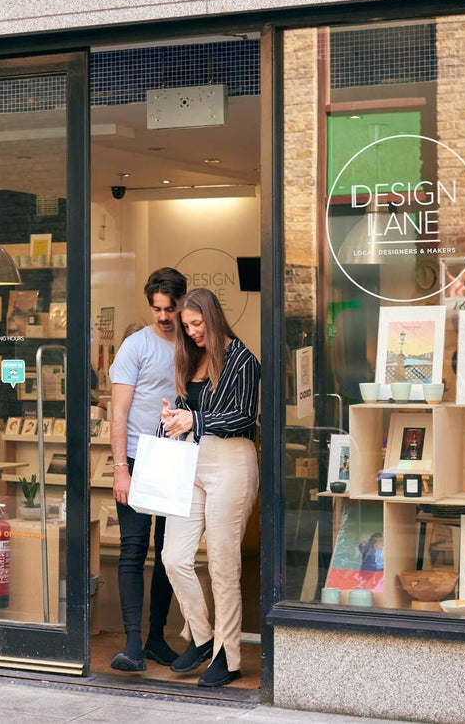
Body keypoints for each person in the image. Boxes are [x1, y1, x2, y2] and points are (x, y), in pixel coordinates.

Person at [158, 288, 260, 688]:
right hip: (192, 461)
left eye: (197, 324)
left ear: (213, 319)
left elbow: (242, 414)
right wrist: (171, 418)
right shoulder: (191, 357)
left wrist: (194, 422)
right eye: (187, 326)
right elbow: (188, 413)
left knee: (222, 564)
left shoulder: (243, 359)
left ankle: (228, 655)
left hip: (231, 462)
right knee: (173, 556)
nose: (192, 332)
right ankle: (202, 637)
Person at [106, 267, 188, 672]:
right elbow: (117, 412)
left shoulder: (192, 344)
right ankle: (133, 643)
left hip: (176, 460)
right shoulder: (134, 347)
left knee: (168, 554)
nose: (163, 316)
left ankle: (156, 637)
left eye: (170, 308)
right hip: (138, 458)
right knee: (133, 550)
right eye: (156, 308)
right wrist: (121, 470)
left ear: (182, 305)